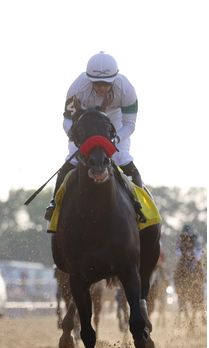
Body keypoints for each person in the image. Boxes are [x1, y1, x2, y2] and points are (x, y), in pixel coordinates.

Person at [45, 51, 141, 221]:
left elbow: (129, 125)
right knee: (72, 159)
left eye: (106, 83)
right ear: (89, 78)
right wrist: (76, 138)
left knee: (123, 158)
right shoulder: (76, 88)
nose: (102, 87)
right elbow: (67, 121)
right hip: (86, 121)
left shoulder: (127, 89)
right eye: (97, 83)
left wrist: (114, 139)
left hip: (114, 119)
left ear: (115, 78)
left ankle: (142, 208)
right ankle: (54, 204)